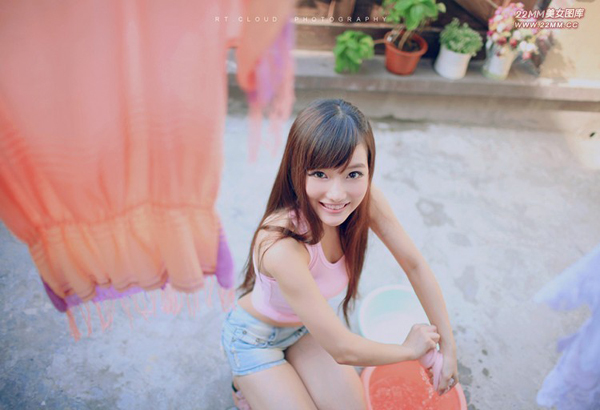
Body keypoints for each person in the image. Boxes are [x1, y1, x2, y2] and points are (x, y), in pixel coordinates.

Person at [221, 99, 458, 409]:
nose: (337, 194)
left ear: (369, 169)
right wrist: (409, 350)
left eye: (353, 174)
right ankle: (244, 382)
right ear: (297, 171)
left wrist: (449, 348)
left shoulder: (366, 200)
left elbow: (414, 265)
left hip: (307, 328)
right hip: (255, 338)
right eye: (320, 174)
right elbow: (342, 349)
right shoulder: (281, 243)